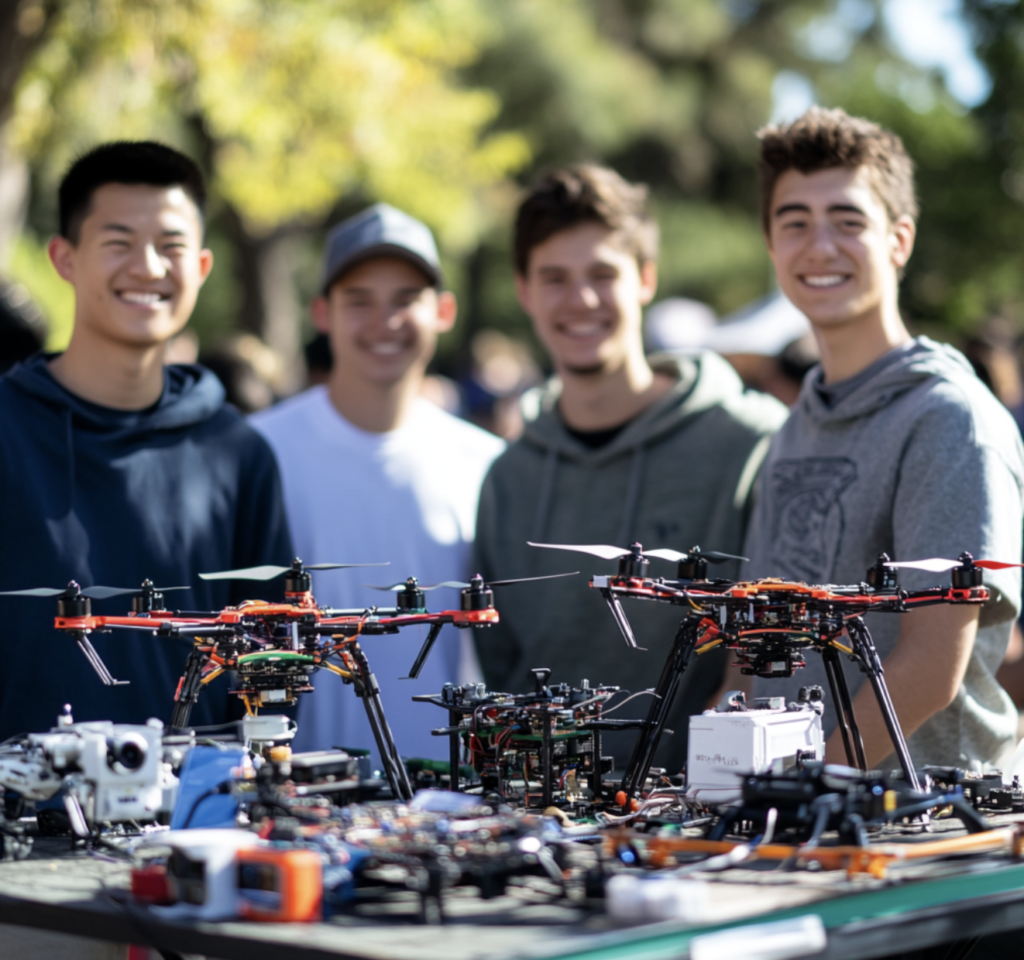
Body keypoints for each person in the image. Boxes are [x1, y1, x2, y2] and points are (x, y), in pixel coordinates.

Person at [472, 165, 788, 774]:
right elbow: (500, 661)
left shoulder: (751, 442)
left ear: (645, 279)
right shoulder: (507, 477)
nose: (581, 300)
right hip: (547, 819)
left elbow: (772, 650)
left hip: (706, 821)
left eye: (603, 274)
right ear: (524, 291)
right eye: (555, 278)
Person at [742, 106, 1024, 769]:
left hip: (922, 834)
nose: (820, 246)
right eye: (795, 224)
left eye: (848, 221)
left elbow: (931, 666)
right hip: (790, 825)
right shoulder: (792, 427)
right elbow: (751, 645)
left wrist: (793, 789)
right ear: (772, 246)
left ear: (898, 240)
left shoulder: (950, 419)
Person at [0, 141, 293, 738]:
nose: (149, 267)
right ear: (64, 258)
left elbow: (273, 664)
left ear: (202, 268)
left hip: (195, 821)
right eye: (118, 243)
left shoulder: (239, 455)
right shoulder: (7, 430)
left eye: (171, 246)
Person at [251, 203, 504, 762]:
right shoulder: (259, 450)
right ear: (322, 312)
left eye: (405, 299)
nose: (384, 322)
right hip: (295, 796)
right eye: (359, 301)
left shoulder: (488, 463)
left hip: (448, 803)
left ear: (444, 310)